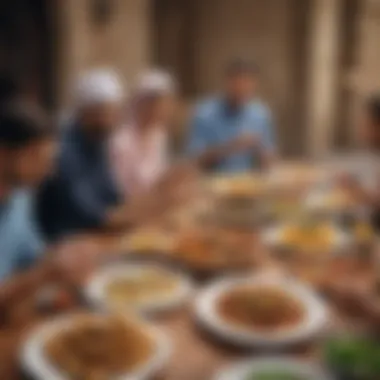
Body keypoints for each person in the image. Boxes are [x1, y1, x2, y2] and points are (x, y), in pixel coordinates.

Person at [0, 100, 98, 290]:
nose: (49, 171)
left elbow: (35, 256)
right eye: (38, 157)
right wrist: (42, 274)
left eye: (50, 159)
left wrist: (67, 253)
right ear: (3, 154)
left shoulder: (22, 197)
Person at [36, 69, 127, 242]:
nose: (107, 120)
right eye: (101, 113)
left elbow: (113, 196)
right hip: (63, 242)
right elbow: (89, 215)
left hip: (92, 238)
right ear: (83, 113)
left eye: (111, 113)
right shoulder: (66, 149)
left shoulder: (98, 143)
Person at [187, 59, 276, 172]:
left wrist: (262, 151)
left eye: (247, 84)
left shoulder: (260, 114)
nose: (242, 89)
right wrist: (231, 147)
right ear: (227, 83)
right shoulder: (204, 113)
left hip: (248, 182)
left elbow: (270, 160)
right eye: (238, 84)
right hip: (210, 182)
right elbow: (194, 160)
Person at [111, 69, 175, 197]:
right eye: (154, 104)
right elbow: (121, 190)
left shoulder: (159, 135)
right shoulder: (122, 141)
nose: (163, 109)